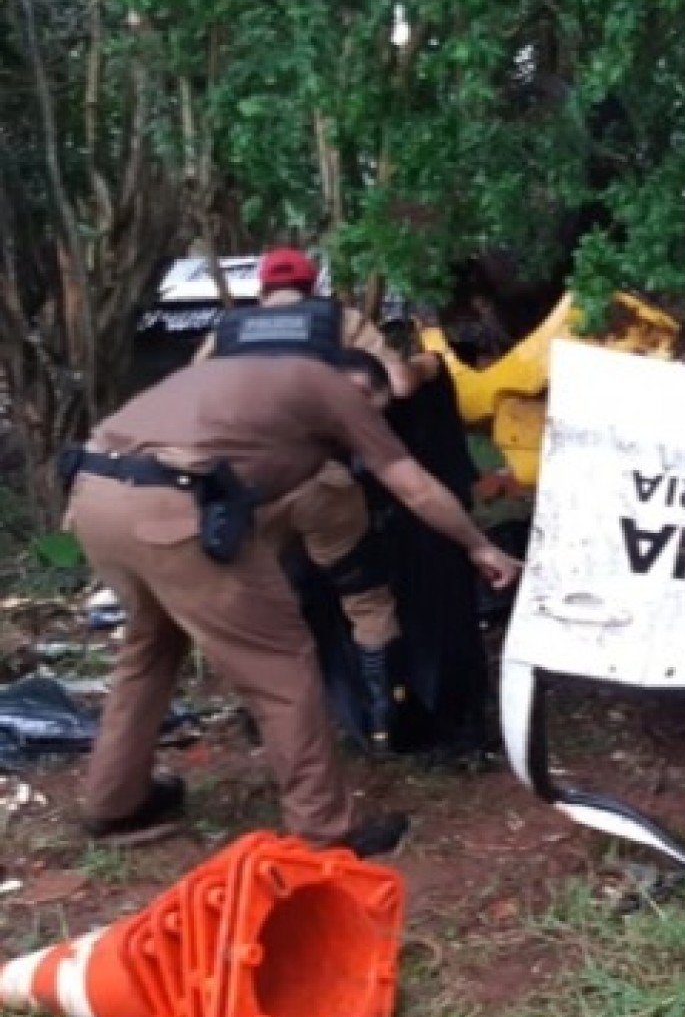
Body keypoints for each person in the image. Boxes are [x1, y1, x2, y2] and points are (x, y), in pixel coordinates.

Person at [63, 348, 521, 853]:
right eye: (376, 409)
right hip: (173, 507)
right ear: (363, 389)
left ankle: (114, 802)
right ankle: (326, 830)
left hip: (93, 496)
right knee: (281, 666)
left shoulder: (243, 374)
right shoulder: (336, 391)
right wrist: (479, 546)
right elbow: (415, 489)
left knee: (151, 647)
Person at [192, 247, 444, 747]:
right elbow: (397, 383)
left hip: (244, 492)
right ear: (313, 288)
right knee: (365, 596)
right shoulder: (339, 322)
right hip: (321, 482)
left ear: (262, 290)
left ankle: (262, 717)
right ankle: (384, 719)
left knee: (259, 600)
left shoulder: (226, 332)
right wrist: (428, 363)